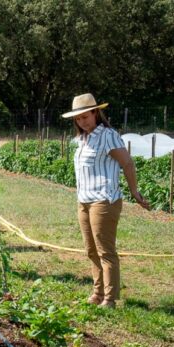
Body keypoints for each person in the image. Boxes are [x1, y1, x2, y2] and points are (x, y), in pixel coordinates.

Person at [61, 93, 150, 309]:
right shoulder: (83, 139)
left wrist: (134, 191)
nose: (82, 121)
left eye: (85, 116)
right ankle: (97, 292)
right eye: (78, 119)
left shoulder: (108, 135)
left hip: (104, 199)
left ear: (95, 112)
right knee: (91, 250)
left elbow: (127, 163)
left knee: (105, 251)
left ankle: (110, 299)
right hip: (84, 200)